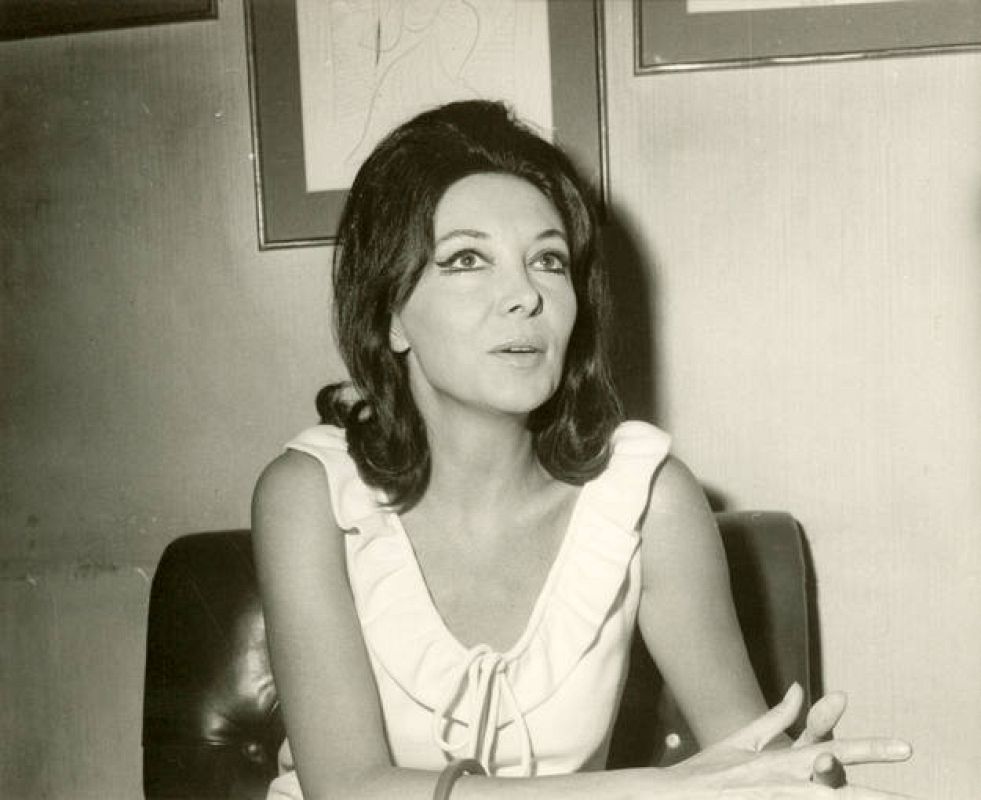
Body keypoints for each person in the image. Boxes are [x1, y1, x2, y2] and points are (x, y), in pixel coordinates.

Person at [252, 100, 912, 800]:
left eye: (548, 261)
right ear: (390, 314)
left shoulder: (647, 500)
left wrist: (800, 780)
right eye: (467, 260)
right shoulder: (310, 495)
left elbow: (745, 754)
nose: (524, 296)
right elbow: (348, 788)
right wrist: (655, 792)